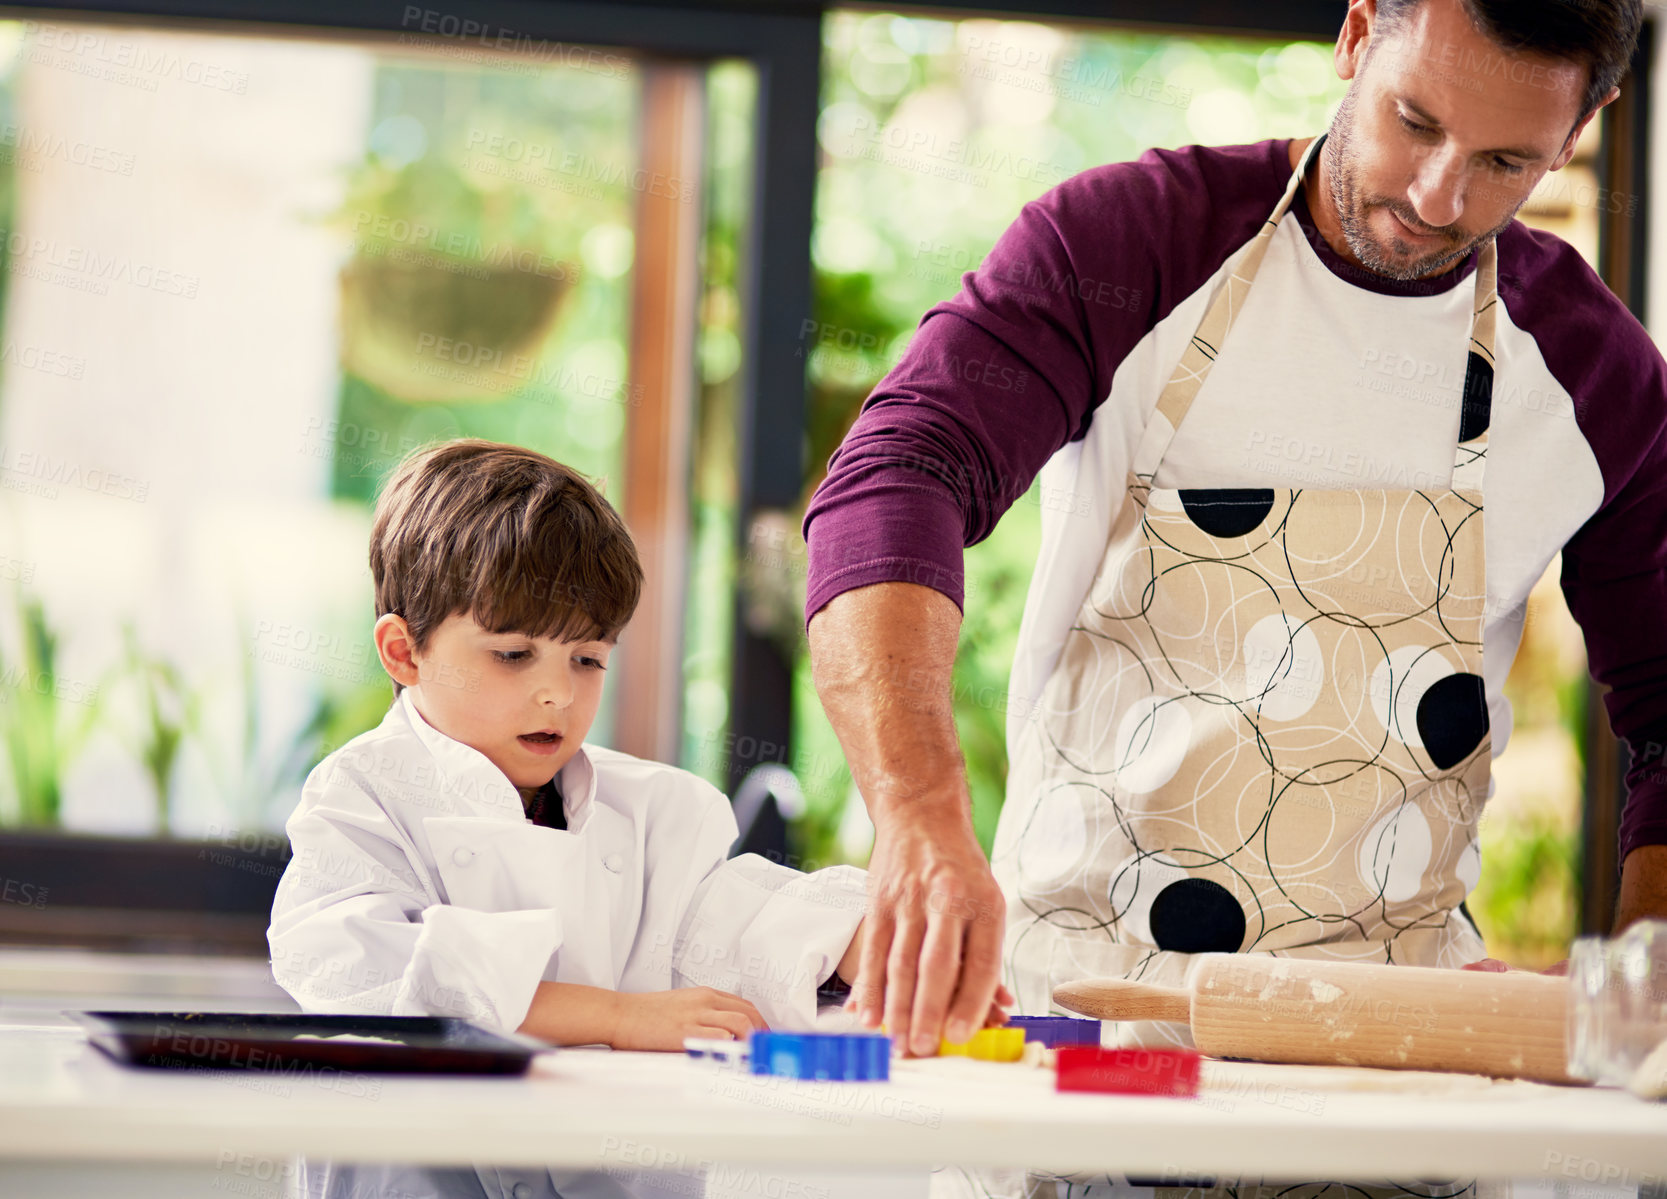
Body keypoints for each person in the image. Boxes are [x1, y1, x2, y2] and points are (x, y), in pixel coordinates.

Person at [806, 0, 1666, 1103]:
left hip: (1397, 1065)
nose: (1436, 198)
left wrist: (1639, 988)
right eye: (1413, 122)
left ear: (1585, 119)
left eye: (1505, 162)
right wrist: (919, 818)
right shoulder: (1127, 244)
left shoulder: (1593, 367)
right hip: (1084, 1033)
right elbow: (894, 481)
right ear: (1356, 35)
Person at [269, 439, 870, 1199]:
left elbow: (725, 925)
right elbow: (369, 972)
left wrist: (857, 940)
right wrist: (617, 1016)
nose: (558, 693)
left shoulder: (655, 807)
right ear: (403, 651)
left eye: (587, 659)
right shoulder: (359, 795)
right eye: (513, 654)